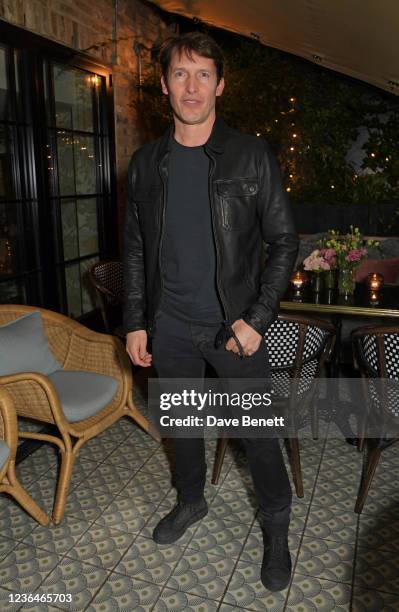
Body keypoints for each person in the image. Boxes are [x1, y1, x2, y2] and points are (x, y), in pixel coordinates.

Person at [123, 31, 299, 592]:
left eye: (203, 75)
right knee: (183, 426)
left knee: (259, 438)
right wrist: (134, 320)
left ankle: (276, 530)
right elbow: (133, 248)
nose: (191, 86)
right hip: (169, 322)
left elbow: (284, 242)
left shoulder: (251, 154)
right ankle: (191, 502)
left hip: (235, 326)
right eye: (180, 74)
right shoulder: (146, 164)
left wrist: (257, 318)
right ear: (164, 85)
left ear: (220, 85)